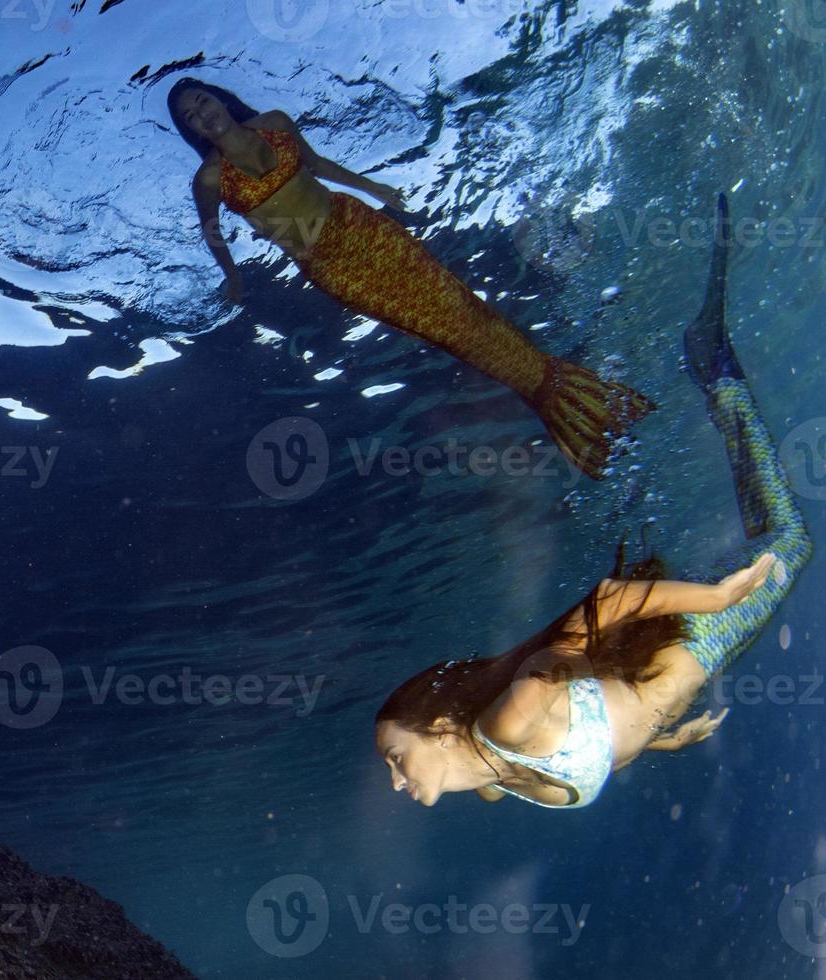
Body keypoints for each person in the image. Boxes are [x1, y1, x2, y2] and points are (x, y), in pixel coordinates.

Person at [372, 193, 811, 808]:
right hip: (676, 659)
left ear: (440, 728)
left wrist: (716, 598)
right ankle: (713, 373)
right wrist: (661, 740)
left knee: (791, 542)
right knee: (781, 539)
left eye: (397, 758)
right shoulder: (498, 781)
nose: (395, 780)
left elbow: (606, 605)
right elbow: (595, 730)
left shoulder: (513, 719)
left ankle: (717, 372)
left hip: (695, 636)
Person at [167, 77, 654, 479]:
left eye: (202, 100)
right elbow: (213, 233)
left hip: (359, 223)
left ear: (219, 96)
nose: (202, 113)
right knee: (439, 328)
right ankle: (560, 402)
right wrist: (232, 277)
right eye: (190, 115)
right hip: (327, 262)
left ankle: (567, 391)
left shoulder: (273, 123)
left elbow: (315, 165)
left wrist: (372, 185)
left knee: (459, 304)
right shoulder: (209, 180)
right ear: (192, 130)